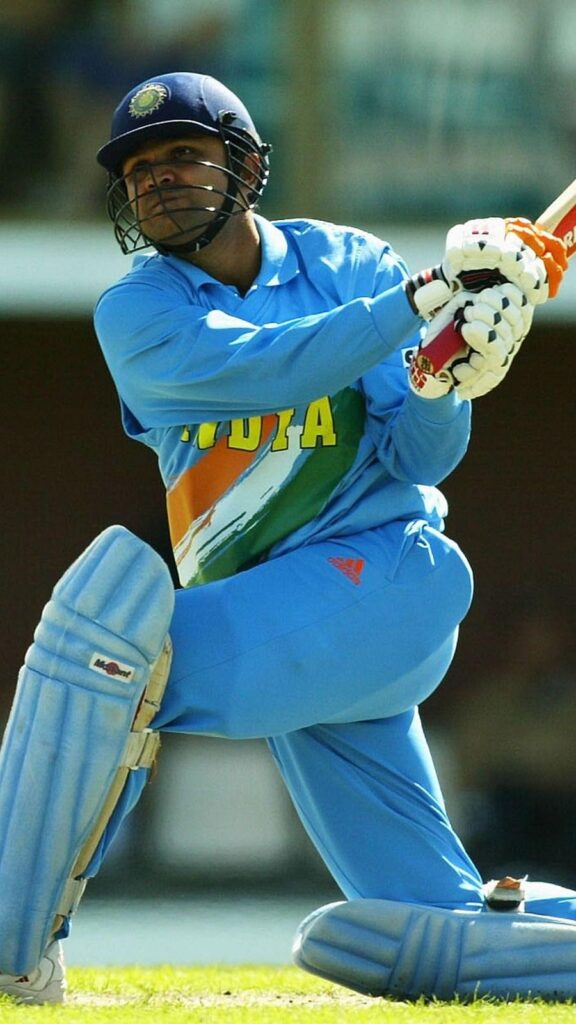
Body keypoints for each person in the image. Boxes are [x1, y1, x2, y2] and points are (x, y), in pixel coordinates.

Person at [0, 71, 573, 1005]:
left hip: (389, 579)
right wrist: (424, 299)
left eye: (183, 154)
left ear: (247, 166)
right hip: (292, 622)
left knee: (103, 653)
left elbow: (418, 455)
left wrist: (447, 383)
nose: (158, 178)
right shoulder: (138, 314)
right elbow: (261, 370)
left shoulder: (348, 263)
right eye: (138, 169)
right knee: (430, 913)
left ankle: (10, 946)